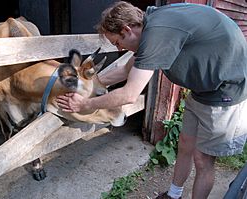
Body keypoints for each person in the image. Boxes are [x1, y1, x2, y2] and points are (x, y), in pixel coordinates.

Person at [56, 1, 247, 198]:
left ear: (127, 29)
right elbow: (124, 70)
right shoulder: (151, 27)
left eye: (117, 43)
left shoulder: (158, 34)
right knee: (185, 143)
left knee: (203, 159)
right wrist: (88, 88)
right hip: (201, 90)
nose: (120, 49)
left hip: (225, 91)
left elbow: (129, 95)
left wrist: (84, 104)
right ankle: (174, 194)